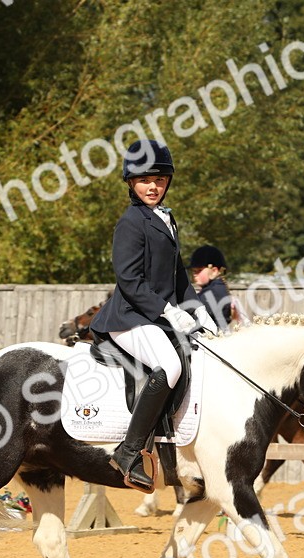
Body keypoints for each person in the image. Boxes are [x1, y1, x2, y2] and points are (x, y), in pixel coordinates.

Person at [89, 140, 217, 492]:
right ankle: (129, 452)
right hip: (129, 317)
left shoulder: (167, 219)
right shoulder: (130, 223)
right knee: (171, 367)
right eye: (145, 180)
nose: (153, 186)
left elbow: (178, 279)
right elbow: (129, 281)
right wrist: (168, 312)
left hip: (157, 317)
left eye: (159, 180)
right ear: (131, 183)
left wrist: (201, 312)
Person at [188, 245, 245, 332]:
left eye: (199, 270)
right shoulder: (218, 289)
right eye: (193, 271)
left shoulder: (211, 294)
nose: (195, 274)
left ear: (214, 271)